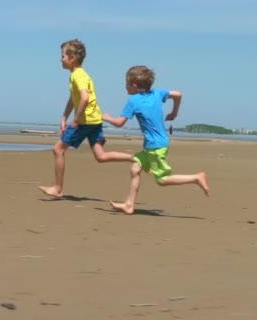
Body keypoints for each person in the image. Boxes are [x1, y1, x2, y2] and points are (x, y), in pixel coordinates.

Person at [103, 65, 209, 215]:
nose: (125, 86)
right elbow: (178, 94)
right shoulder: (157, 94)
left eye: (126, 83)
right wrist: (174, 112)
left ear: (134, 86)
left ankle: (196, 178)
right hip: (154, 145)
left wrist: (106, 117)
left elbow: (119, 123)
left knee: (162, 180)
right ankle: (129, 205)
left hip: (155, 147)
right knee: (135, 169)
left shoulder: (134, 101)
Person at [38, 39, 133, 198]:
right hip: (94, 120)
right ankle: (134, 158)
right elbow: (73, 98)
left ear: (72, 58)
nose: (60, 59)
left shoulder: (78, 75)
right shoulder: (79, 75)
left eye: (62, 56)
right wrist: (64, 117)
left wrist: (75, 120)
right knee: (101, 156)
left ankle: (58, 188)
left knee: (58, 149)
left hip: (85, 121)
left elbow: (84, 98)